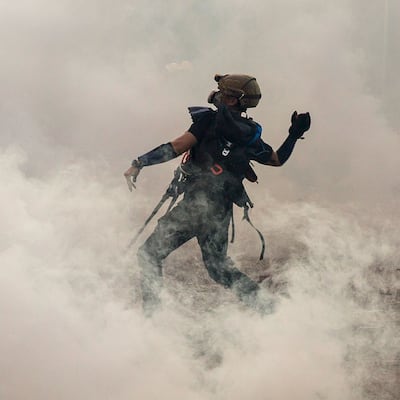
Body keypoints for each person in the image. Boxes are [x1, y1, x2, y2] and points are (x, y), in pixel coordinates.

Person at [124, 74, 311, 316]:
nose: (217, 94)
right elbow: (276, 160)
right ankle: (269, 310)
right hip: (220, 210)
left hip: (195, 207)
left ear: (232, 100)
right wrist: (294, 135)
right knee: (219, 268)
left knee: (148, 254)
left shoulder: (208, 122)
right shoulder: (249, 134)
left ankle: (151, 318)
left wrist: (140, 162)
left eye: (222, 92)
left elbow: (176, 147)